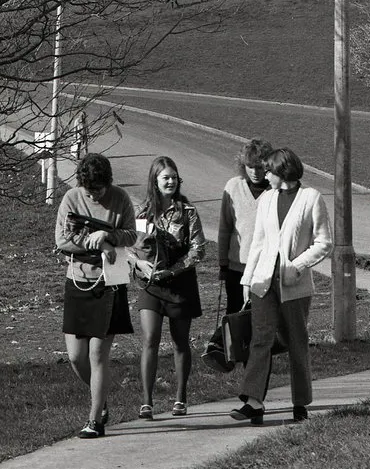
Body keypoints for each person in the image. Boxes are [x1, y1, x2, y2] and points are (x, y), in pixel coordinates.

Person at [231, 148, 333, 425]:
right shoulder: (267, 199)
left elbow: (324, 243)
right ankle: (253, 402)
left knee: (296, 343)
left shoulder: (311, 198)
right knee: (260, 339)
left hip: (294, 286)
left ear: (283, 172)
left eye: (269, 171)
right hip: (264, 283)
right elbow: (259, 243)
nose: (265, 175)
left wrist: (297, 266)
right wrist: (247, 279)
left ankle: (300, 403)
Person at [54, 153, 137, 438]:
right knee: (76, 357)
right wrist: (98, 248)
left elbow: (130, 235)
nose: (94, 195)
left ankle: (95, 420)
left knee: (97, 354)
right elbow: (62, 240)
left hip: (109, 284)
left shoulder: (121, 198)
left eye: (99, 190)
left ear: (108, 183)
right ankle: (99, 400)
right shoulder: (71, 199)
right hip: (78, 282)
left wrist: (107, 237)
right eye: (90, 191)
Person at [134, 156, 206, 420]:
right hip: (151, 285)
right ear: (155, 179)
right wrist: (140, 267)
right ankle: (146, 402)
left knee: (179, 342)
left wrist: (173, 270)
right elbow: (131, 247)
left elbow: (199, 250)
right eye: (165, 177)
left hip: (180, 285)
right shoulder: (141, 212)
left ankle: (180, 397)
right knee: (150, 339)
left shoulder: (188, 213)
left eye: (174, 177)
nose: (171, 181)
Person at [218, 137, 274, 314]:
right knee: (236, 313)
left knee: (264, 315)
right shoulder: (233, 186)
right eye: (251, 167)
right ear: (243, 166)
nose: (255, 172)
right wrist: (222, 263)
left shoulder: (275, 190)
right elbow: (225, 227)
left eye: (260, 167)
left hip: (266, 268)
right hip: (237, 267)